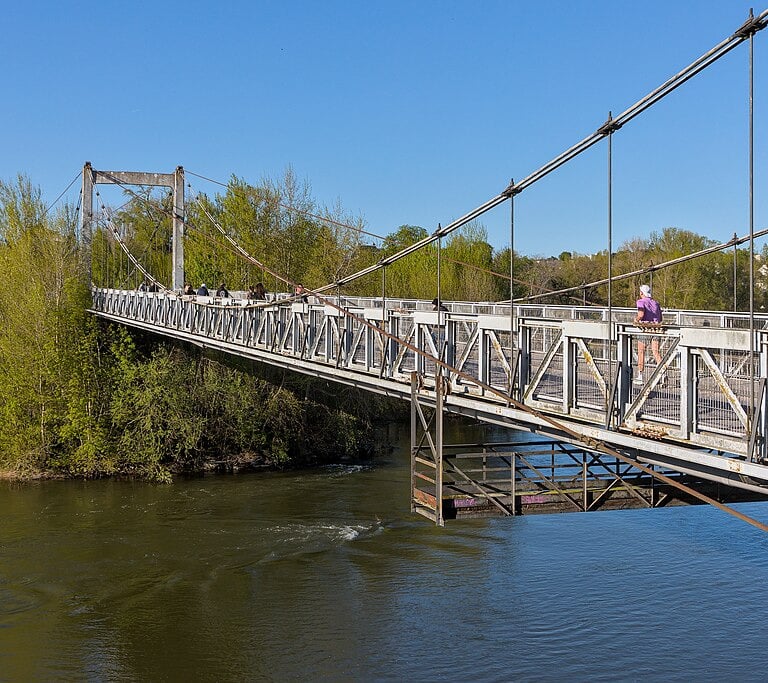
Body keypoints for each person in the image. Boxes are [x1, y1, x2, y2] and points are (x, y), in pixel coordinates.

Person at [634, 284, 663, 384]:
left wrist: (636, 320)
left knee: (641, 351)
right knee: (656, 352)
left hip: (645, 329)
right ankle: (663, 374)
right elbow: (660, 318)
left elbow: (641, 314)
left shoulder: (640, 302)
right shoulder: (656, 303)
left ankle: (640, 376)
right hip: (656, 329)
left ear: (641, 293)